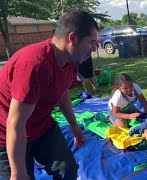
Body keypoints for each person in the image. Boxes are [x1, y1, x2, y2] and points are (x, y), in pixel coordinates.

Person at [0, 10, 98, 180]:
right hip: (7, 134)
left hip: (41, 126)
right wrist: (18, 172)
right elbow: (15, 122)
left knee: (67, 170)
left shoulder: (70, 60)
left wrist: (74, 126)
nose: (94, 49)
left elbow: (62, 91)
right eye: (91, 42)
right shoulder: (35, 65)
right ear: (72, 38)